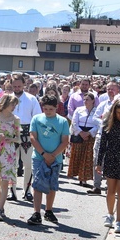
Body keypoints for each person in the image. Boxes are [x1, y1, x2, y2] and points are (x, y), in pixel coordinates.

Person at [27, 93, 70, 226]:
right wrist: (44, 154)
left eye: (51, 109)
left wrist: (53, 155)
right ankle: (36, 212)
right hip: (39, 157)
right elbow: (33, 137)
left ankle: (49, 210)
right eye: (45, 109)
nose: (48, 112)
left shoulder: (62, 121)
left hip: (55, 159)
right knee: (38, 184)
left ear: (56, 107)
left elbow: (65, 141)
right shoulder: (36, 119)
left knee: (52, 185)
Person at [95, 98, 120, 233]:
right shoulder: (108, 123)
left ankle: (119, 221)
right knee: (111, 190)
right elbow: (102, 145)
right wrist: (99, 163)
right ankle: (110, 214)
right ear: (114, 111)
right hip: (111, 158)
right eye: (118, 112)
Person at [10, 73, 42, 202]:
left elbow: (37, 118)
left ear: (24, 84)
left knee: (28, 164)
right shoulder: (6, 98)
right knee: (12, 163)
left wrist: (34, 135)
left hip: (27, 134)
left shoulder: (31, 99)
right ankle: (12, 191)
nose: (17, 88)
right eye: (14, 86)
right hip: (11, 132)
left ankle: (27, 190)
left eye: (19, 85)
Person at [89, 81, 120, 194]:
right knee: (97, 160)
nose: (109, 91)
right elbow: (95, 117)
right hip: (101, 135)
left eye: (112, 88)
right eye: (108, 88)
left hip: (114, 138)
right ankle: (96, 186)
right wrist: (105, 122)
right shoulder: (103, 104)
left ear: (118, 90)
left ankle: (110, 187)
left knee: (111, 161)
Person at [68, 92, 98, 187]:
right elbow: (74, 122)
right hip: (79, 134)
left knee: (87, 156)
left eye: (87, 99)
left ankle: (84, 178)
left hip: (90, 135)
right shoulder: (79, 110)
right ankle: (77, 175)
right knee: (78, 155)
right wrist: (81, 132)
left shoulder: (97, 111)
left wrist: (89, 133)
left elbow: (99, 124)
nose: (85, 101)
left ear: (93, 101)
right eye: (84, 100)